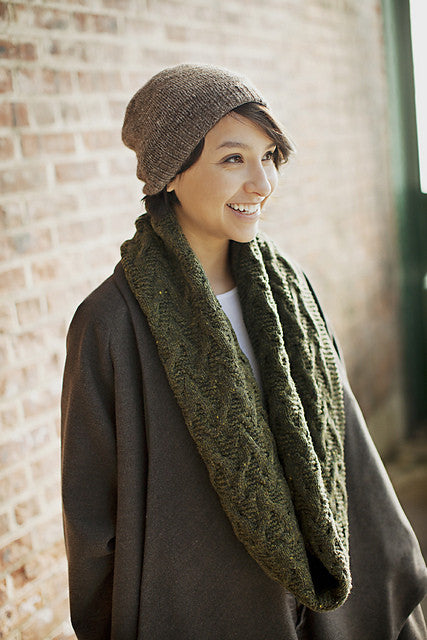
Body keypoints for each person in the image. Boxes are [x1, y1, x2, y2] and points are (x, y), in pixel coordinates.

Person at [61, 63, 427, 639]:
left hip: (333, 612)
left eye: (269, 156)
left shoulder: (290, 289)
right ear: (169, 173)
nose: (262, 183)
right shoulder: (110, 325)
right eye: (233, 159)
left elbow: (346, 448)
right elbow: (90, 519)